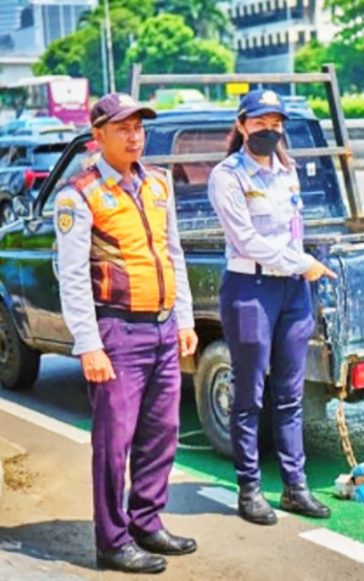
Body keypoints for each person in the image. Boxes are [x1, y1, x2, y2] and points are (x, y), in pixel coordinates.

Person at [54, 93, 199, 574]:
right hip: (117, 332)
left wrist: (184, 319)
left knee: (162, 434)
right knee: (113, 443)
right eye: (123, 128)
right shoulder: (80, 194)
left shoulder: (157, 182)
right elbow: (73, 275)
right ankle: (112, 541)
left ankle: (146, 522)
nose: (135, 136)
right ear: (98, 136)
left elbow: (173, 253)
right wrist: (89, 344)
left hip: (162, 328)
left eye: (139, 127)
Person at [207, 89, 336, 525]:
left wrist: (300, 267)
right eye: (259, 123)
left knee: (290, 394)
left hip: (293, 291)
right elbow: (246, 240)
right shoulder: (227, 176)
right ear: (241, 125)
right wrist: (303, 264)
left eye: (275, 124)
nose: (268, 131)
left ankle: (295, 488)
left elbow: (293, 230)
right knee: (249, 394)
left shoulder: (287, 170)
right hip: (251, 289)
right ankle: (250, 490)